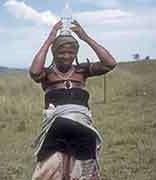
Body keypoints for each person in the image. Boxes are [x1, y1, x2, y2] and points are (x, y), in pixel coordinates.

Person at [29, 20, 117, 180]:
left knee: (81, 170)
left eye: (71, 52)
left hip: (82, 127)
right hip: (55, 128)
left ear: (76, 53)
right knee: (50, 168)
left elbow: (110, 63)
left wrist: (85, 37)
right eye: (61, 52)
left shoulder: (81, 70)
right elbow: (34, 72)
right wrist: (50, 39)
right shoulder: (48, 74)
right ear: (54, 53)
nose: (67, 56)